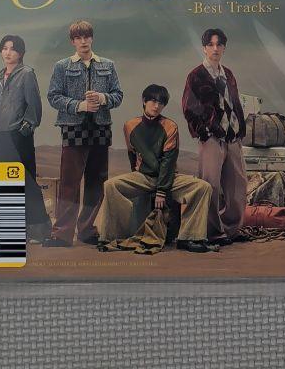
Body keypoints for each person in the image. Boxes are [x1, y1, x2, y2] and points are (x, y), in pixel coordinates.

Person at [98, 84, 217, 253]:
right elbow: (132, 154)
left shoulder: (170, 126)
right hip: (143, 177)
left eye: (161, 103)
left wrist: (161, 191)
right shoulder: (130, 125)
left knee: (203, 187)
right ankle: (112, 237)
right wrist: (136, 174)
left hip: (168, 177)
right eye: (153, 101)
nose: (156, 106)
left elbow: (168, 161)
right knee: (110, 185)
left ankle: (190, 237)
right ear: (144, 101)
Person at [45, 20, 123, 247]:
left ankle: (87, 230)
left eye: (86, 37)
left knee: (96, 183)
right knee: (69, 182)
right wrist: (80, 105)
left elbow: (118, 95)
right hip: (73, 129)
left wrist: (103, 98)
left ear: (92, 38)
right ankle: (62, 234)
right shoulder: (62, 66)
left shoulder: (108, 65)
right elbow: (53, 96)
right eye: (78, 38)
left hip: (100, 129)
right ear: (73, 41)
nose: (83, 41)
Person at [181, 28, 248, 245]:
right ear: (204, 48)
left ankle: (232, 229)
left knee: (237, 185)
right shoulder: (196, 75)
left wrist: (240, 129)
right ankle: (213, 231)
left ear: (224, 48)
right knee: (210, 185)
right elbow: (188, 107)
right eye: (211, 44)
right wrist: (204, 131)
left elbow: (235, 103)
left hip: (232, 137)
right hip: (211, 138)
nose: (215, 48)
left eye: (219, 44)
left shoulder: (228, 74)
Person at [0, 35, 51, 244]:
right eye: (4, 48)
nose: (8, 52)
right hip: (1, 134)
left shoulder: (26, 73)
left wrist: (25, 129)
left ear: (21, 53)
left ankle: (40, 228)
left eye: (13, 49)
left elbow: (34, 106)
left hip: (19, 135)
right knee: (8, 184)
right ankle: (15, 228)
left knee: (27, 182)